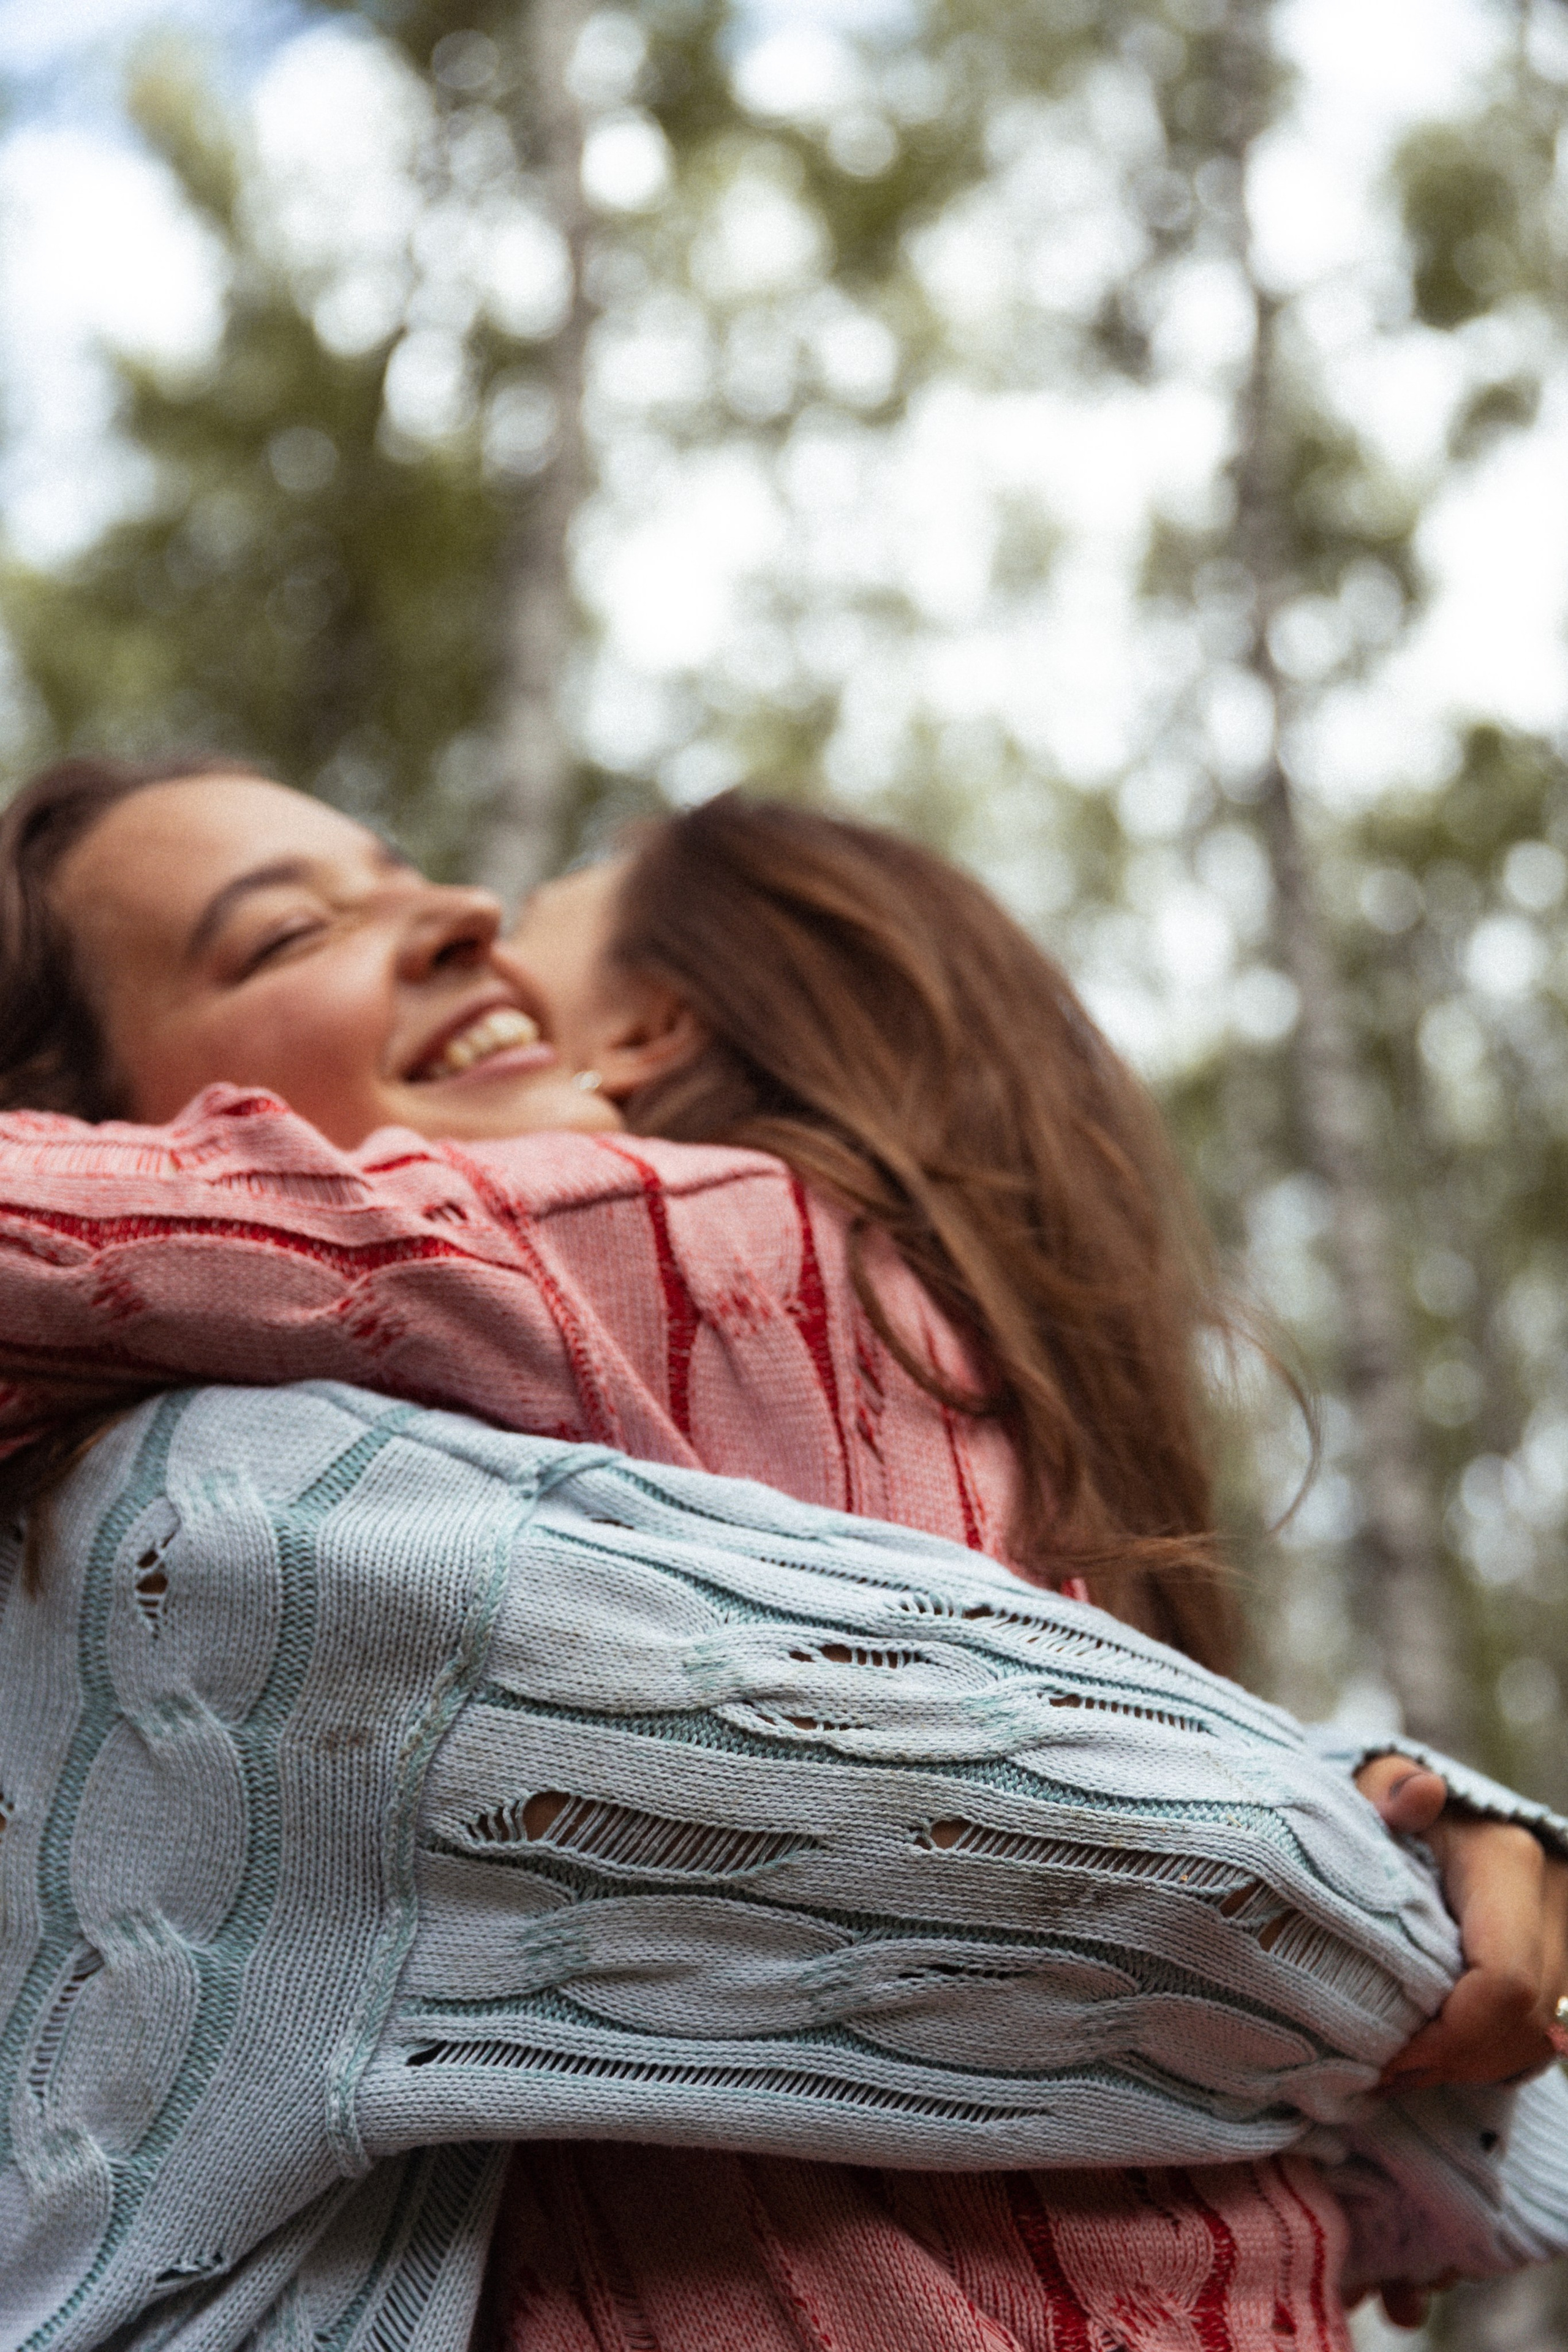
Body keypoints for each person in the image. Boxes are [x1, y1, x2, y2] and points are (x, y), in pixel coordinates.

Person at [0, 755, 1564, 2351]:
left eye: (496, 908)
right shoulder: (257, 1513)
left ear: (655, 1045)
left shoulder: (675, 1254)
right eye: (283, 934)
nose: (470, 913)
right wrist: (1429, 1853)